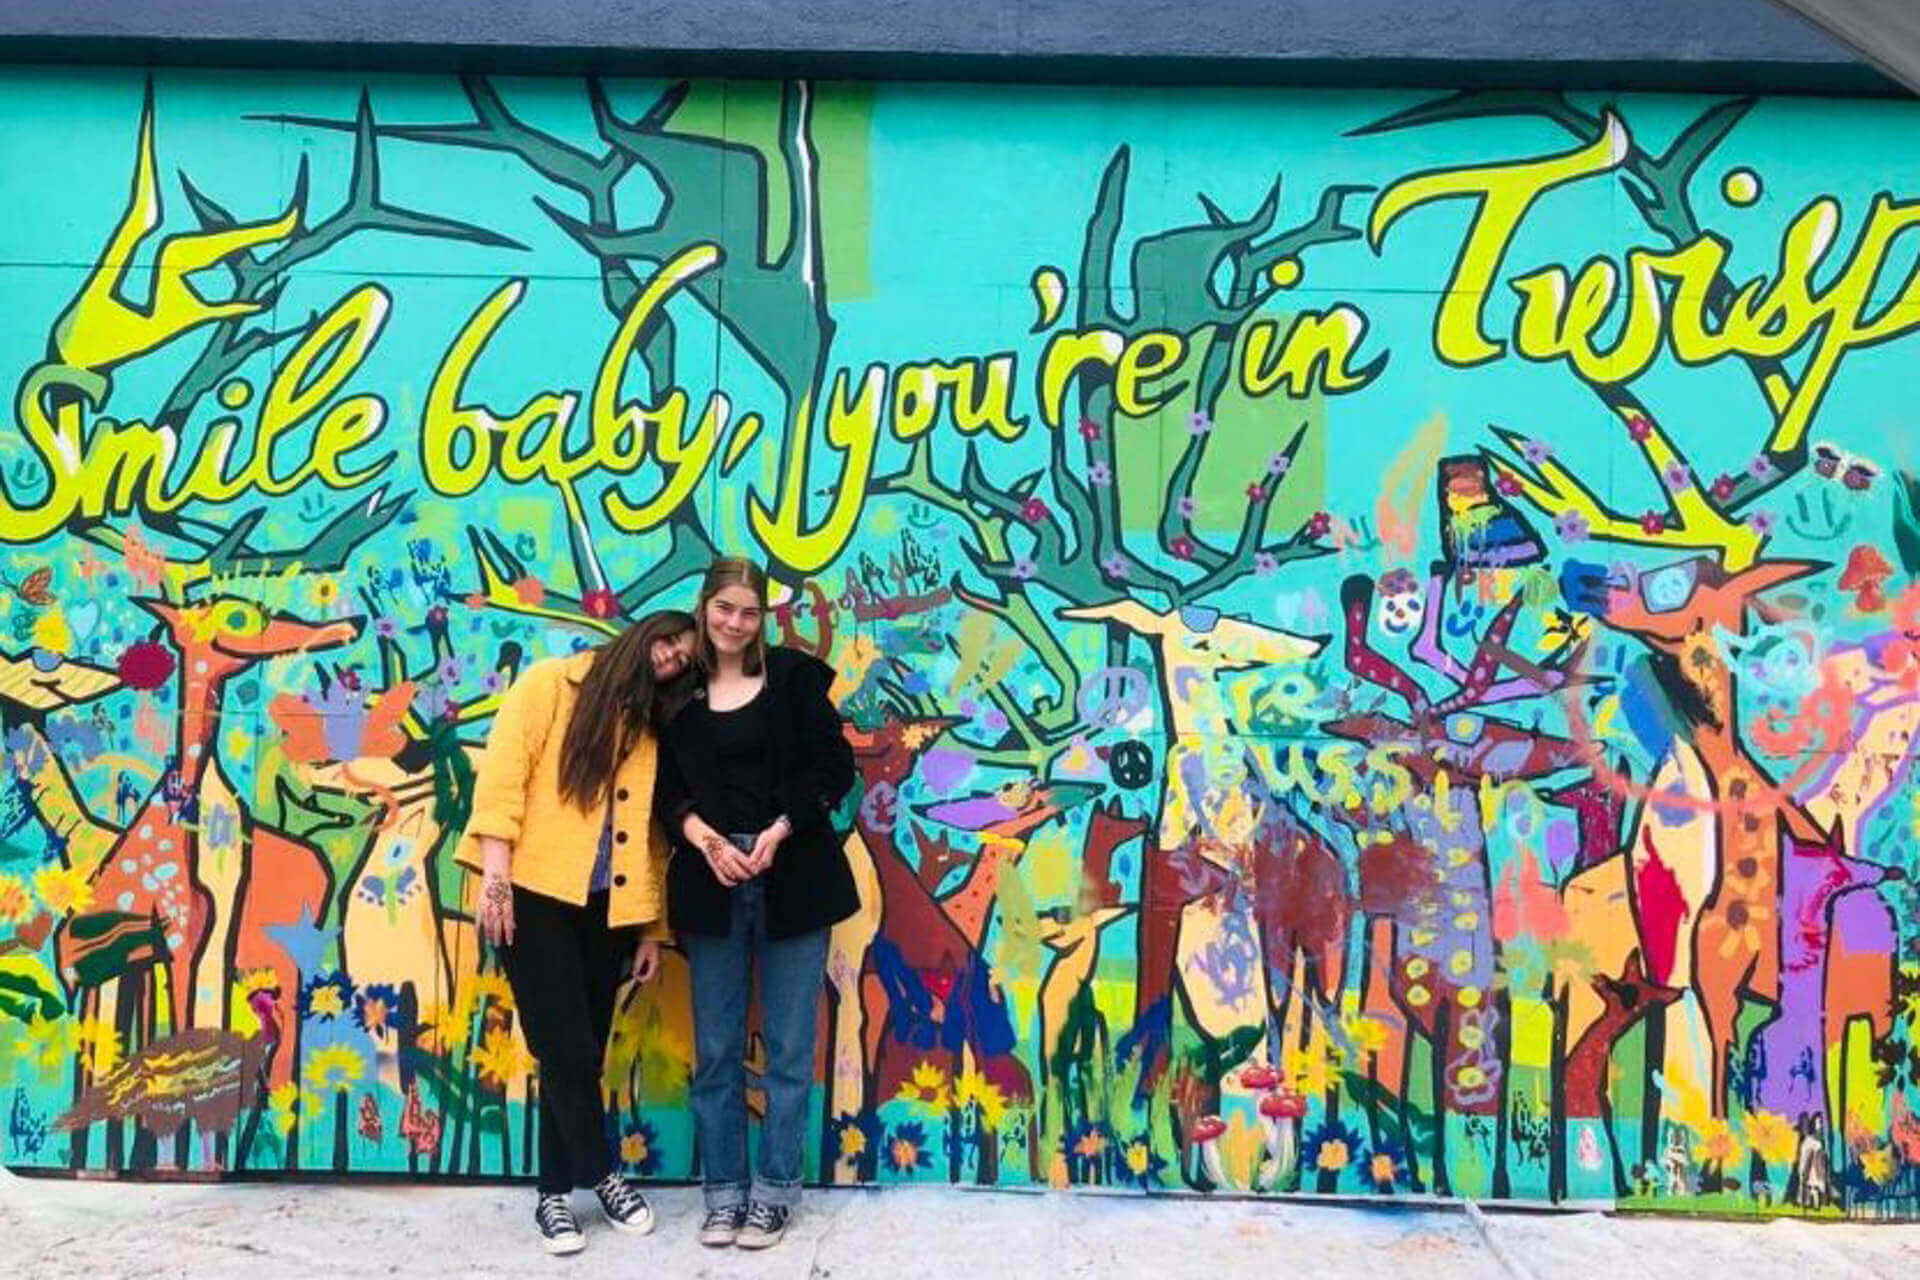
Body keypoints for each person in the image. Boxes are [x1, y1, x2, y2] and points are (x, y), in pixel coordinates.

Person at [458, 609, 696, 1255]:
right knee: (562, 1046)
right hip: (532, 895)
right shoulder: (548, 685)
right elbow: (503, 781)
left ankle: (553, 1198)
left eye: (682, 660)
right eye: (668, 642)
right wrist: (496, 878)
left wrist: (651, 927)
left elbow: (652, 838)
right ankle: (603, 1172)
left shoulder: (651, 729)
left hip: (606, 909)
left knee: (580, 1053)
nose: (670, 658)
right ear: (642, 633)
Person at [655, 558, 858, 1250]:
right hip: (711, 883)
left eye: (749, 612)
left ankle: (773, 1193)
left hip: (792, 872)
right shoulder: (677, 696)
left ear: (763, 617)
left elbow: (836, 768)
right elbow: (662, 791)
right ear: (704, 606)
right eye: (724, 609)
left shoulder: (796, 682)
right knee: (714, 1049)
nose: (735, 623)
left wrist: (778, 832)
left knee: (791, 1047)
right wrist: (706, 839)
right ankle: (723, 1194)